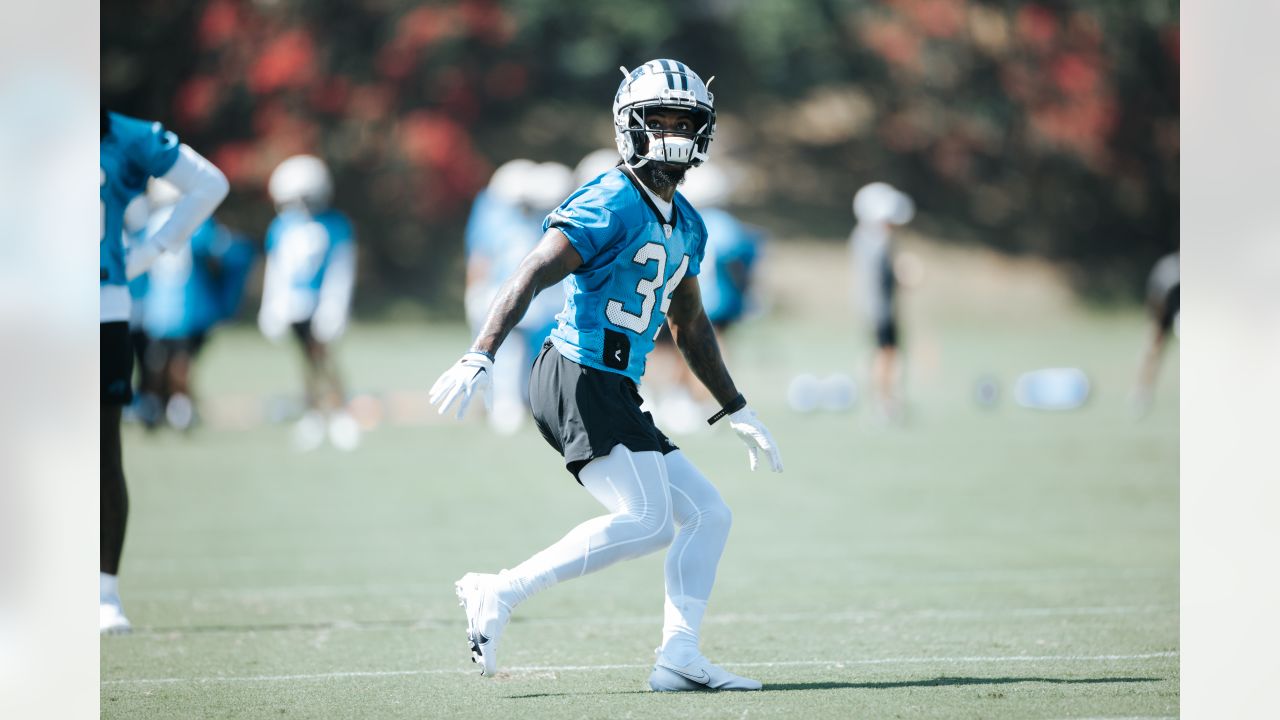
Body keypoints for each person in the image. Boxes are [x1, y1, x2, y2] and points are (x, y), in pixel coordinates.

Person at [430, 59, 783, 692]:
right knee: (648, 521)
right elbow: (534, 268)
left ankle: (678, 656)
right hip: (575, 372)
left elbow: (692, 326)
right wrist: (482, 350)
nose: (673, 133)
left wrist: (737, 407)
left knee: (709, 514)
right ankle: (499, 591)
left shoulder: (690, 223)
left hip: (615, 385)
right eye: (661, 120)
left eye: (686, 121)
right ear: (630, 127)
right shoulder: (612, 196)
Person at [101, 108, 229, 633]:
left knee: (101, 453)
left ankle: (104, 592)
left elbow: (208, 183)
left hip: (97, 306)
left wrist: (152, 249)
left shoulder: (121, 135)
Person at [258, 155, 360, 451]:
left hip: (321, 304)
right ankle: (314, 413)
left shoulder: (335, 225)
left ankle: (340, 412)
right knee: (306, 361)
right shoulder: (281, 227)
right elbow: (276, 270)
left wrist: (335, 306)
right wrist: (272, 305)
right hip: (294, 306)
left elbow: (341, 270)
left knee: (324, 358)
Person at [139, 179, 256, 430]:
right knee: (182, 362)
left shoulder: (149, 224)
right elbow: (226, 252)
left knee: (159, 361)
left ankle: (156, 406)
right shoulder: (194, 222)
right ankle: (179, 407)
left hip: (156, 312)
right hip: (188, 311)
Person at [849, 181, 915, 421]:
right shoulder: (874, 239)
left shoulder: (869, 238)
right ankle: (883, 402)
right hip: (879, 309)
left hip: (880, 308)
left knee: (886, 354)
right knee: (884, 355)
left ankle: (887, 401)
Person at [1132, 250, 1179, 416]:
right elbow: (1156, 301)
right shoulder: (1168, 270)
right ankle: (1141, 394)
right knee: (1152, 351)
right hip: (1162, 313)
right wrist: (1159, 328)